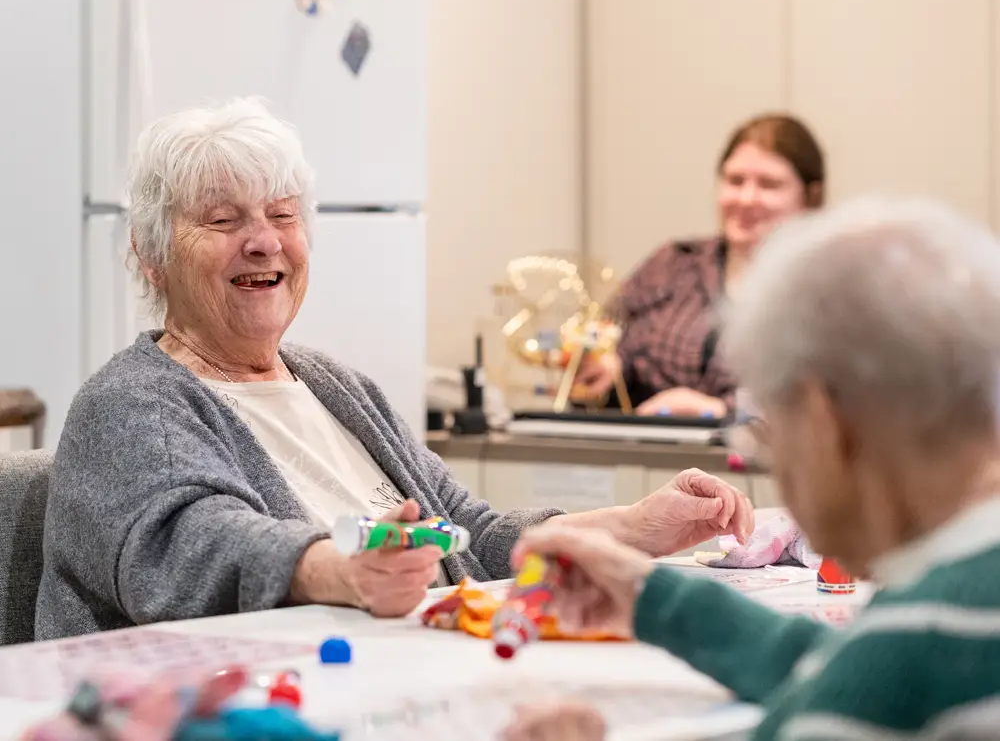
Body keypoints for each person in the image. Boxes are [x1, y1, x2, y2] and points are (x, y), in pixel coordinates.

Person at [35, 98, 753, 640]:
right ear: (150, 255)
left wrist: (634, 528)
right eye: (222, 221)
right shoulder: (129, 406)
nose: (263, 243)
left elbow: (473, 537)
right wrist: (341, 570)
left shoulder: (334, 386)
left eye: (283, 216)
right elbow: (195, 552)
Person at [505, 197, 1000, 741]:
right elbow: (839, 667)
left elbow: (863, 680)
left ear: (823, 423)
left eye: (767, 432)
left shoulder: (913, 646)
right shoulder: (949, 619)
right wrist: (654, 596)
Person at [573, 113, 824, 418]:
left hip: (759, 460)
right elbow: (614, 338)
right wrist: (605, 369)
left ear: (810, 195)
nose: (746, 198)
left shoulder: (831, 285)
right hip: (646, 456)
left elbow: (838, 398)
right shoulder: (673, 263)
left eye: (769, 185)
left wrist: (721, 410)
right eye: (735, 181)